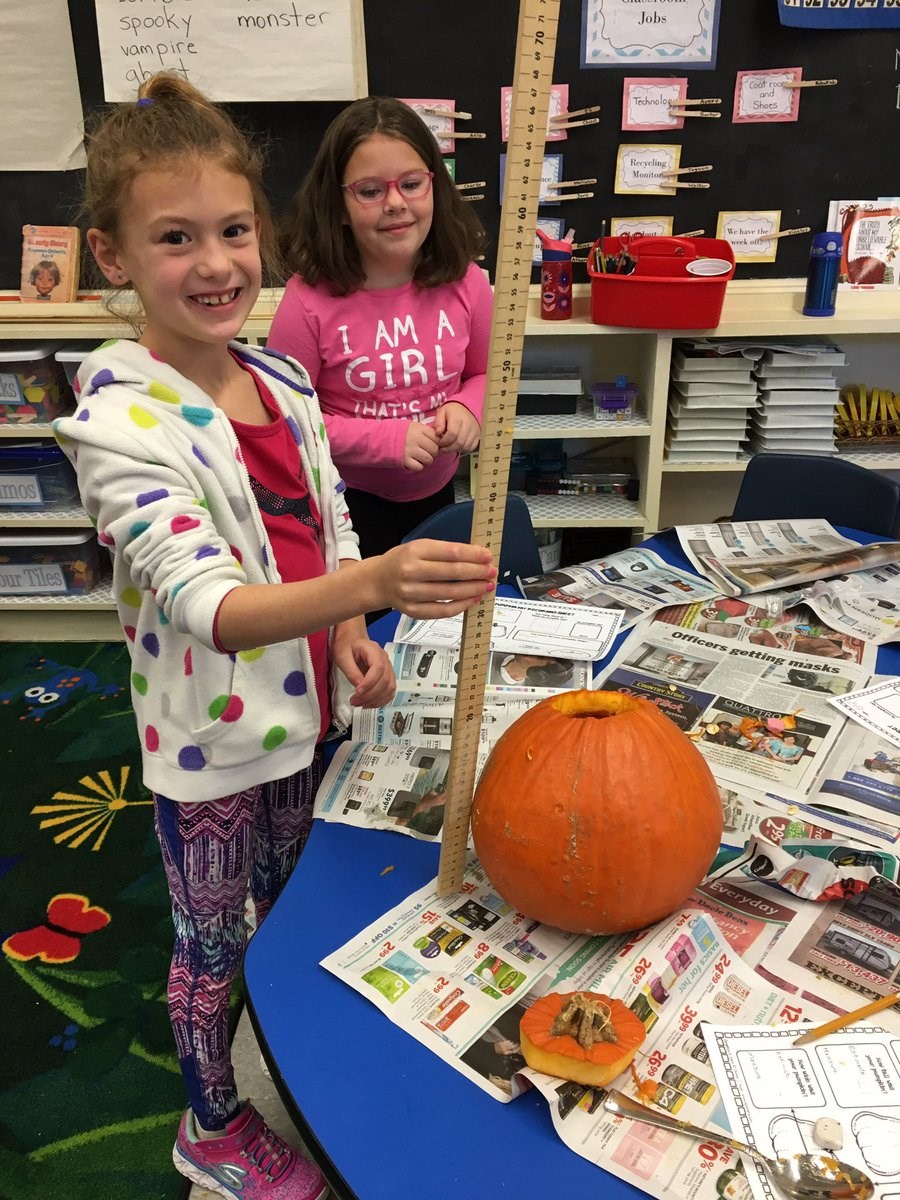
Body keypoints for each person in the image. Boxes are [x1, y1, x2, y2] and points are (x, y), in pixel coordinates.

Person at [54, 73, 495, 1200]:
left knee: (295, 901)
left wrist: (352, 620)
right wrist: (381, 577)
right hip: (210, 743)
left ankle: (297, 1065)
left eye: (235, 230)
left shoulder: (283, 380)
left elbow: (324, 521)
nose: (215, 263)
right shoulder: (116, 423)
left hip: (311, 709)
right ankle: (209, 1122)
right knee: (210, 944)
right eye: (174, 238)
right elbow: (209, 604)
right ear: (113, 257)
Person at [266, 96, 493, 560]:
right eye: (370, 191)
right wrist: (386, 442)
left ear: (435, 187)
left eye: (411, 184)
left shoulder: (467, 281)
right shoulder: (307, 301)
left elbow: (490, 374)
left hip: (437, 498)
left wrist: (469, 408)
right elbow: (286, 423)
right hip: (346, 508)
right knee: (363, 628)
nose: (395, 203)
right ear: (340, 206)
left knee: (431, 622)